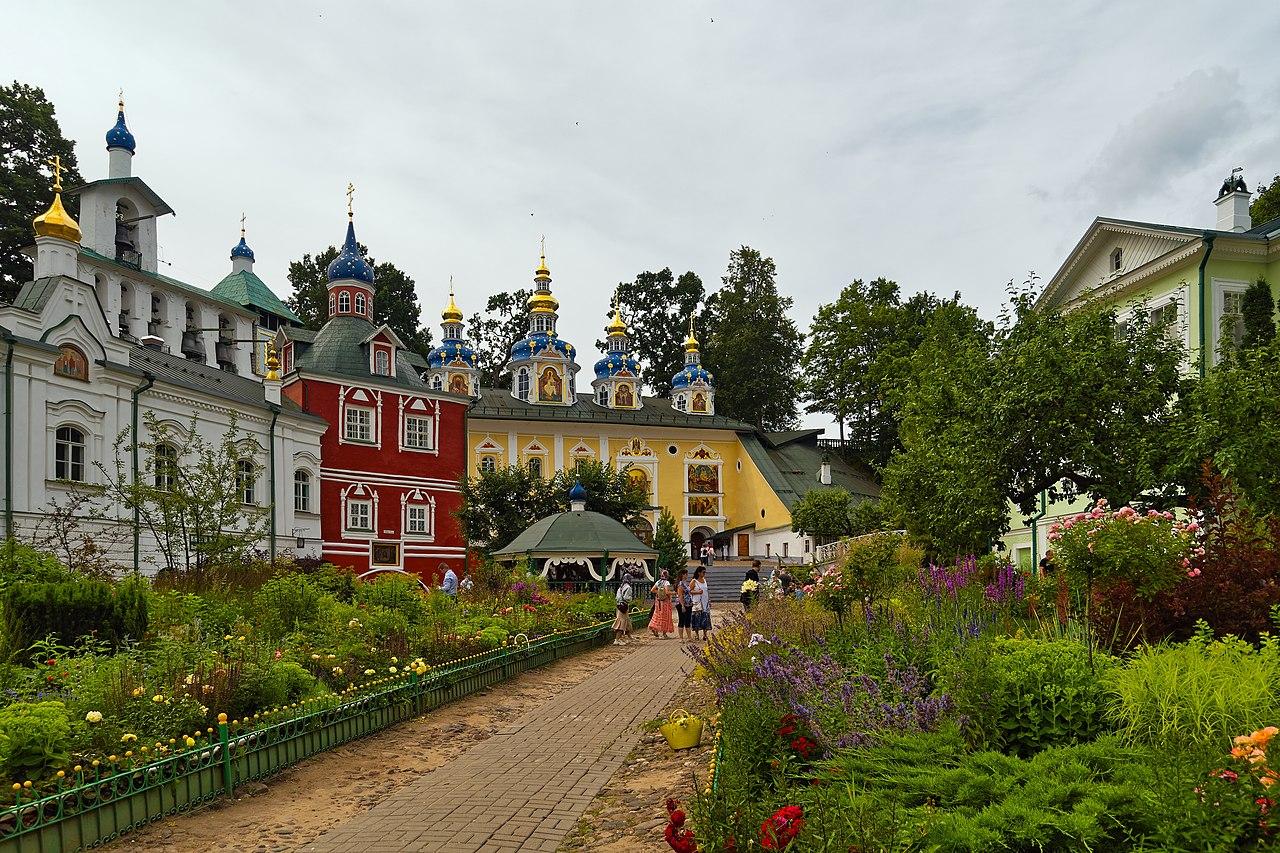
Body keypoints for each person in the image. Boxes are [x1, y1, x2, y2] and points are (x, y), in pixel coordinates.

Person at [648, 569, 674, 638]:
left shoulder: (658, 582)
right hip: (665, 602)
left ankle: (654, 628)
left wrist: (659, 592)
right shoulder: (667, 583)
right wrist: (675, 593)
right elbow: (667, 592)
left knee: (657, 615)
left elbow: (652, 590)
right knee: (665, 616)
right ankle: (664, 634)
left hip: (658, 602)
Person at [690, 566, 711, 640]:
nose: (704, 574)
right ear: (699, 573)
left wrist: (709, 600)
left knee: (705, 618)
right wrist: (697, 592)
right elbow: (690, 591)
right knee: (697, 618)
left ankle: (705, 634)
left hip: (705, 602)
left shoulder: (704, 580)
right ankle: (696, 634)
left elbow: (706, 591)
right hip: (697, 602)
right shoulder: (694, 581)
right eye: (703, 572)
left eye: (705, 572)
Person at [613, 573, 634, 645]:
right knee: (621, 623)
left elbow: (617, 597)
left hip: (619, 606)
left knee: (626, 621)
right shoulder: (628, 587)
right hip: (624, 606)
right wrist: (631, 598)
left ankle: (629, 637)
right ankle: (617, 639)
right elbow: (626, 598)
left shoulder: (620, 587)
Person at [674, 568, 693, 640]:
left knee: (688, 620)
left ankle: (689, 637)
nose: (687, 575)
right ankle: (681, 638)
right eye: (686, 574)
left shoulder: (685, 583)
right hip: (682, 604)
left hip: (688, 603)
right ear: (682, 575)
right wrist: (682, 605)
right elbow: (680, 595)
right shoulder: (680, 584)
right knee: (681, 619)